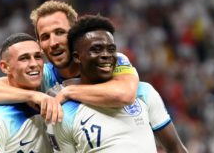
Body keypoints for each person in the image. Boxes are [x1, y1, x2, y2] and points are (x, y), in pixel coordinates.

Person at [0, 0, 139, 124]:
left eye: (59, 32)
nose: (53, 42)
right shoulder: (42, 77)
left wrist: (68, 92)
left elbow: (125, 94)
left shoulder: (106, 60)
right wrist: (34, 95)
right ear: (40, 45)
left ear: (75, 34)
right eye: (45, 37)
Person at [48, 15, 188, 153]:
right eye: (96, 49)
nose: (106, 55)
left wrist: (68, 90)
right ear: (77, 57)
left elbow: (176, 149)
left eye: (111, 49)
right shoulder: (65, 113)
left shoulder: (144, 92)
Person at [0, 33, 53, 153]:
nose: (34, 64)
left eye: (38, 57)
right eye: (24, 58)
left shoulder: (50, 92)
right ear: (5, 67)